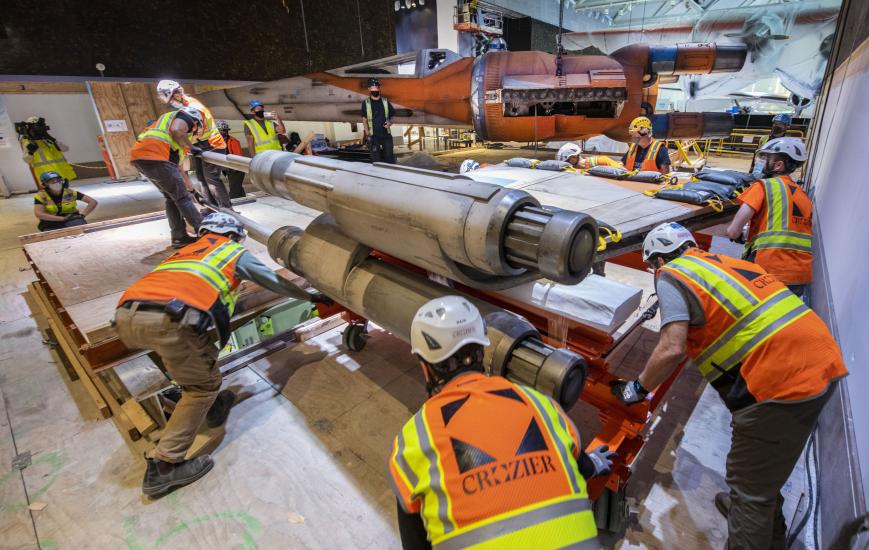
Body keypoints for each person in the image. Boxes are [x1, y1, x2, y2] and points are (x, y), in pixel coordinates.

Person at [611, 222, 848, 550]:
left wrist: (636, 388)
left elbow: (671, 347)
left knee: (750, 492)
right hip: (820, 360)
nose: (654, 272)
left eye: (652, 266)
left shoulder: (673, 274)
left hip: (780, 381)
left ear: (658, 261)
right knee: (761, 468)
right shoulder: (729, 263)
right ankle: (762, 519)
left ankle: (751, 513)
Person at [114, 212, 331, 497]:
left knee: (192, 358)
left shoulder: (184, 253)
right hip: (172, 321)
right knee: (201, 387)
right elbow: (271, 280)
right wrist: (312, 295)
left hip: (127, 316)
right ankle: (165, 466)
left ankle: (215, 408)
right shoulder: (230, 251)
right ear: (233, 235)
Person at [389, 295, 613, 549]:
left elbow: (415, 543)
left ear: (425, 368)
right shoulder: (540, 403)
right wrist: (594, 464)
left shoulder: (414, 439)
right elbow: (576, 460)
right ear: (482, 350)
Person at [725, 137, 812, 297]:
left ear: (778, 165)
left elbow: (733, 231)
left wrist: (735, 233)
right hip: (799, 275)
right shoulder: (803, 196)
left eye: (766, 158)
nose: (761, 162)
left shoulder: (764, 186)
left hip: (769, 271)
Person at [130, 106, 205, 248]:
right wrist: (193, 147)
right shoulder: (184, 117)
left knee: (172, 197)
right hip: (155, 156)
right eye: (194, 129)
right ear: (195, 121)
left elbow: (179, 171)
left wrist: (193, 191)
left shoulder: (171, 142)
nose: (191, 133)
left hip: (142, 157)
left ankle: (179, 237)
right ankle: (204, 232)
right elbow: (178, 129)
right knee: (182, 198)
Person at [157, 80, 232, 209]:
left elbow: (195, 131)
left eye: (171, 100)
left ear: (177, 94)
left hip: (212, 144)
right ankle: (211, 209)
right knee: (202, 178)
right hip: (201, 145)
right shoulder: (184, 106)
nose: (171, 104)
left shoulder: (194, 108)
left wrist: (184, 147)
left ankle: (227, 210)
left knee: (211, 179)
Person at [33, 171, 97, 232]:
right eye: (52, 181)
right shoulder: (41, 196)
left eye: (58, 180)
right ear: (45, 184)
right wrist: (63, 219)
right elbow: (39, 214)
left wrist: (82, 215)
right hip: (51, 221)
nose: (56, 183)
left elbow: (93, 202)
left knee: (81, 231)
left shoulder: (70, 192)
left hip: (72, 219)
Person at [19, 116, 77, 183]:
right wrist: (30, 152)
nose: (39, 130)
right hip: (47, 176)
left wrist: (53, 140)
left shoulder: (47, 139)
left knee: (65, 192)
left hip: (61, 172)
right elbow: (27, 160)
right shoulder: (27, 142)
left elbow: (65, 149)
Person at [361, 77, 396, 164]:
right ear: (369, 89)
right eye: (372, 88)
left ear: (379, 88)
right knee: (376, 161)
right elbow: (364, 120)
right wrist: (367, 135)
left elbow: (392, 116)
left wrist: (390, 123)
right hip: (373, 137)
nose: (375, 90)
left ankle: (390, 175)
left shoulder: (385, 101)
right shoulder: (366, 103)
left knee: (390, 159)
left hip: (386, 135)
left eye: (376, 87)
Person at [216, 120, 246, 199]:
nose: (223, 132)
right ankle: (243, 199)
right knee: (236, 186)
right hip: (226, 169)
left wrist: (235, 168)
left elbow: (239, 157)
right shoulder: (217, 142)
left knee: (234, 191)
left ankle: (231, 204)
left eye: (225, 130)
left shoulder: (233, 141)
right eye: (221, 131)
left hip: (236, 169)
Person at [557, 142, 622, 170]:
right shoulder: (574, 169)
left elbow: (622, 171)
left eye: (567, 161)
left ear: (574, 157)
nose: (566, 164)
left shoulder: (602, 160)